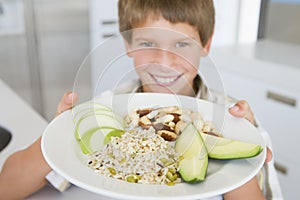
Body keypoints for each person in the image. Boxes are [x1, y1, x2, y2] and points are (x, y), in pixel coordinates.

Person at [0, 0, 279, 199]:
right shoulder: (106, 111)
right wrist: (57, 137)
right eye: (148, 44)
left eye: (182, 44)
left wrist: (239, 156)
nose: (165, 61)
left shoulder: (233, 119)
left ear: (205, 45)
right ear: (128, 46)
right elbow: (7, 188)